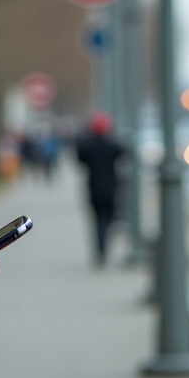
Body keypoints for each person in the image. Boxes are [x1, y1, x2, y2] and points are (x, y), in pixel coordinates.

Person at [76, 111, 125, 267]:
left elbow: (80, 158)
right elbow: (123, 153)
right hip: (111, 188)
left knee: (97, 221)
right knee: (109, 219)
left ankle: (100, 249)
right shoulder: (112, 145)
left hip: (93, 188)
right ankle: (105, 246)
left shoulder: (87, 146)